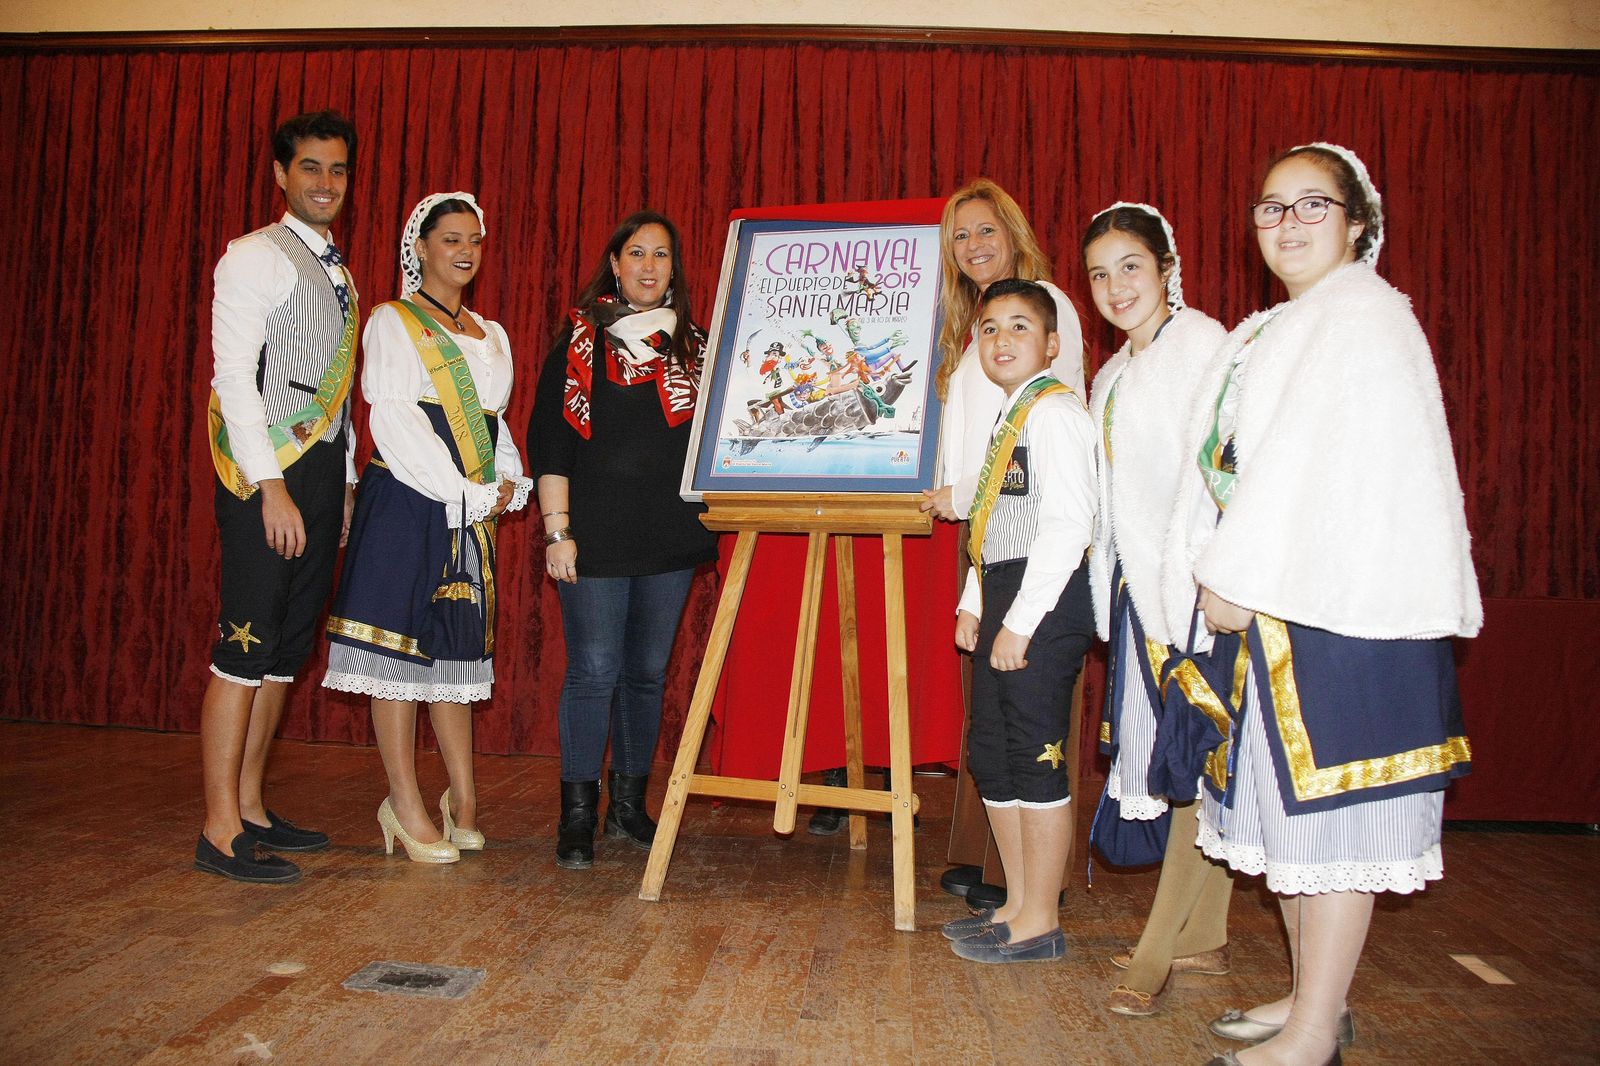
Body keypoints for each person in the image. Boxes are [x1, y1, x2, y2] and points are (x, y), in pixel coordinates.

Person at [1163, 145, 1480, 1066]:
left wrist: (1234, 572)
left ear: (1356, 222)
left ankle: (1312, 1034)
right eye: (1272, 207)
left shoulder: (1367, 320)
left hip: (1344, 621)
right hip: (1278, 612)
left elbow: (1316, 479)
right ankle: (1312, 999)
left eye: (1313, 206)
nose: (1289, 224)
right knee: (1287, 823)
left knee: (1333, 829)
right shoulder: (1280, 327)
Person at [322, 193, 531, 863]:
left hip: (465, 499)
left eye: (473, 239)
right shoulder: (393, 321)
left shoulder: (490, 333)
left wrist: (506, 481)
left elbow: (493, 422)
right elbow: (394, 418)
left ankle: (463, 799)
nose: (464, 251)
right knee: (398, 655)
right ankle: (404, 802)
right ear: (421, 247)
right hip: (413, 499)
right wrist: (461, 494)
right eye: (450, 239)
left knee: (453, 653)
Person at [900, 178, 1085, 905]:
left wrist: (966, 494)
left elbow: (1036, 442)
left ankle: (1036, 890)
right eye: (960, 235)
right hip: (982, 535)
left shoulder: (1041, 306)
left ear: (1013, 232)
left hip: (1034, 540)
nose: (972, 245)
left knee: (1031, 712)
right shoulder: (967, 320)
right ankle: (994, 868)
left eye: (985, 231)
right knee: (992, 719)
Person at [194, 110, 360, 884]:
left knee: (286, 650)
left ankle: (253, 805)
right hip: (269, 473)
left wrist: (348, 481)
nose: (325, 183)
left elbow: (342, 390)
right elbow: (234, 380)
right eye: (310, 169)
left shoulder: (339, 269)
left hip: (322, 471)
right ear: (280, 175)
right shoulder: (252, 256)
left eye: (337, 170)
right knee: (245, 648)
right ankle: (218, 826)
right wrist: (271, 488)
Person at [529, 211, 719, 870]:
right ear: (615, 264)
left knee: (645, 678)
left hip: (669, 537)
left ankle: (628, 807)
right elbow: (550, 447)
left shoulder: (697, 348)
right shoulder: (580, 344)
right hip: (595, 540)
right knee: (594, 673)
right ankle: (577, 816)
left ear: (674, 268)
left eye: (661, 255)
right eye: (635, 253)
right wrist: (558, 531)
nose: (647, 266)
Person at [1081, 203, 1234, 1016]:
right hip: (1139, 592)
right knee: (1187, 763)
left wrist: (1209, 586)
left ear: (1168, 267)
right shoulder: (1113, 372)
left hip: (1193, 596)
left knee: (1190, 761)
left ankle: (1156, 950)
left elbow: (1222, 476)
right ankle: (1202, 935)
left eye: (1131, 266)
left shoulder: (1204, 347)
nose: (1116, 287)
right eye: (1100, 274)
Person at [941, 279, 1097, 963]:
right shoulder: (1010, 417)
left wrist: (1022, 622)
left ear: (1052, 345)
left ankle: (1041, 918)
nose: (1001, 341)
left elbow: (1069, 526)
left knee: (1036, 756)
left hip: (1047, 598)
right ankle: (1014, 902)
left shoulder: (1055, 414)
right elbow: (991, 521)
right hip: (1005, 587)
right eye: (990, 328)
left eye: (1020, 328)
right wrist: (976, 601)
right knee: (992, 755)